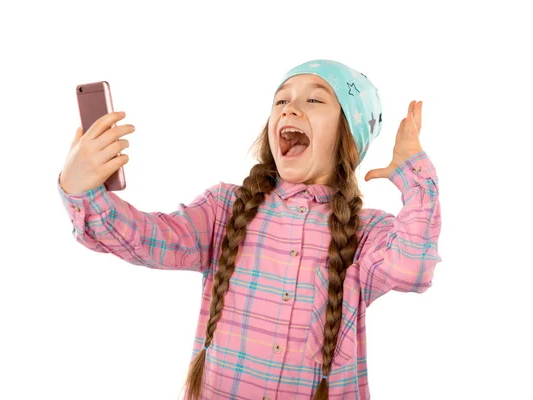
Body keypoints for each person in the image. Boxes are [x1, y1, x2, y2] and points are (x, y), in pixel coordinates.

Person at [57, 59, 442, 400]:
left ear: (348, 137)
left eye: (315, 99)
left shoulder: (368, 232)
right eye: (281, 100)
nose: (290, 107)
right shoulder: (226, 209)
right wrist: (81, 190)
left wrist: (416, 178)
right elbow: (147, 239)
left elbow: (413, 268)